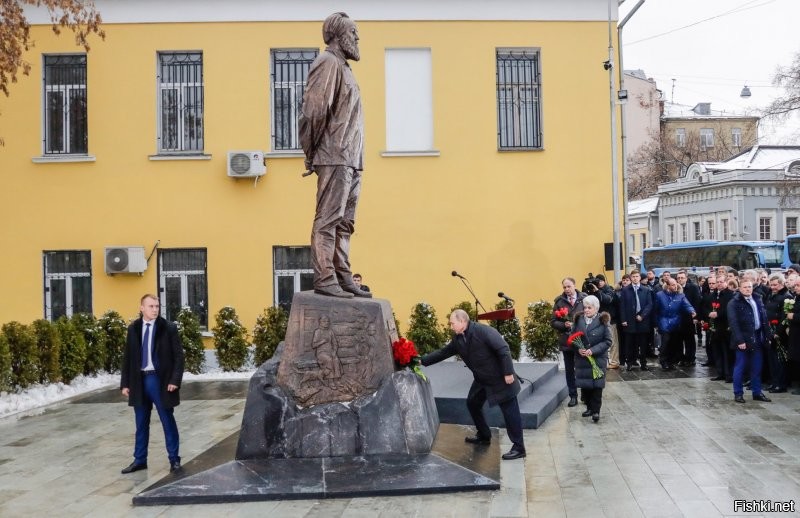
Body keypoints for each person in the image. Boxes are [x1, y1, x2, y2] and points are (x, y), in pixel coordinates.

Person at [299, 12, 370, 299]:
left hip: (352, 158)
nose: (357, 38)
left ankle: (342, 275)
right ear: (339, 36)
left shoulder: (345, 68)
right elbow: (314, 111)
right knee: (328, 219)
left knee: (345, 223)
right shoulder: (327, 63)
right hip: (334, 154)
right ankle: (325, 277)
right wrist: (311, 150)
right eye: (353, 33)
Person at [421, 310, 525, 460]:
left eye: (452, 323)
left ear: (463, 321)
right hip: (482, 379)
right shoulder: (458, 338)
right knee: (473, 403)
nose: (451, 326)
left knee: (510, 412)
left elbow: (503, 349)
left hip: (500, 378)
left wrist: (508, 373)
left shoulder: (483, 331)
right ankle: (484, 435)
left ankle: (519, 448)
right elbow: (444, 352)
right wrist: (422, 360)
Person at [120, 294, 185, 474]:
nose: (155, 309)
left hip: (160, 381)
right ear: (142, 308)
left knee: (167, 421)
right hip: (139, 381)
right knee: (141, 423)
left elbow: (179, 357)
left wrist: (174, 380)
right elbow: (128, 358)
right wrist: (125, 383)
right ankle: (140, 460)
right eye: (151, 306)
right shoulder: (133, 329)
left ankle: (174, 459)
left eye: (157, 306)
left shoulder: (168, 328)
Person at [728, 279, 771, 403]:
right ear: (740, 288)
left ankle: (757, 392)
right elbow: (733, 323)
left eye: (750, 287)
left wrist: (768, 336)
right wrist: (740, 340)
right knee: (740, 367)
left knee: (757, 366)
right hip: (743, 338)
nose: (748, 289)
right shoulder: (734, 303)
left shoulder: (757, 299)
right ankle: (738, 393)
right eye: (745, 287)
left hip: (757, 336)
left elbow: (764, 318)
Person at [572, 295, 611, 422]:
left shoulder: (602, 320)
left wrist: (592, 350)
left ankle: (596, 411)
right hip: (582, 359)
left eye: (589, 307)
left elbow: (607, 341)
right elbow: (572, 337)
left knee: (597, 386)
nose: (586, 310)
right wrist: (578, 348)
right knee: (586, 385)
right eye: (585, 307)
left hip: (597, 359)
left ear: (596, 308)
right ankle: (589, 407)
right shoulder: (579, 320)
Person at [551, 278, 587, 406]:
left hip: (582, 340)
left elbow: (592, 315)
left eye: (569, 286)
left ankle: (584, 394)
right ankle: (573, 395)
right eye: (564, 287)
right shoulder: (559, 301)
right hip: (567, 341)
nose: (567, 290)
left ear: (574, 285)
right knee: (570, 370)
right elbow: (553, 321)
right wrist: (563, 324)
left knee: (582, 368)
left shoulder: (584, 298)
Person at [654, 278, 696, 371]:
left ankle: (671, 361)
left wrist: (692, 311)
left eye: (675, 284)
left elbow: (686, 304)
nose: (675, 286)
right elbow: (656, 309)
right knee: (665, 341)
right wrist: (656, 322)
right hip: (663, 321)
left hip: (675, 321)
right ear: (668, 285)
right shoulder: (660, 295)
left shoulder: (680, 295)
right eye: (672, 285)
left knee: (674, 343)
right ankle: (663, 361)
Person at [620, 270, 653, 371]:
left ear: (640, 277)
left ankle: (643, 363)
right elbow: (622, 306)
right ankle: (629, 362)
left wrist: (642, 316)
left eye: (637, 276)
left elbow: (649, 305)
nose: (635, 278)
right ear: (631, 278)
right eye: (633, 276)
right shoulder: (625, 290)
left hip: (642, 321)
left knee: (643, 344)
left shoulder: (646, 289)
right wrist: (623, 319)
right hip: (630, 321)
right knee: (630, 343)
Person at [764, 273, 790, 393]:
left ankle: (780, 384)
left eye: (775, 285)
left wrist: (777, 333)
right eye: (771, 285)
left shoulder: (785, 297)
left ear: (781, 284)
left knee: (779, 360)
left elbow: (783, 317)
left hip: (779, 334)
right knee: (772, 359)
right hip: (770, 330)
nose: (773, 287)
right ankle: (774, 382)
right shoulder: (771, 295)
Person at [676, 270, 701, 366]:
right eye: (678, 278)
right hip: (678, 318)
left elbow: (697, 302)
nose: (680, 279)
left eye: (682, 278)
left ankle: (691, 358)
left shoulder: (693, 287)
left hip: (689, 318)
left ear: (686, 278)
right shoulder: (676, 288)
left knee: (689, 340)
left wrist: (696, 316)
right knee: (678, 340)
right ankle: (681, 358)